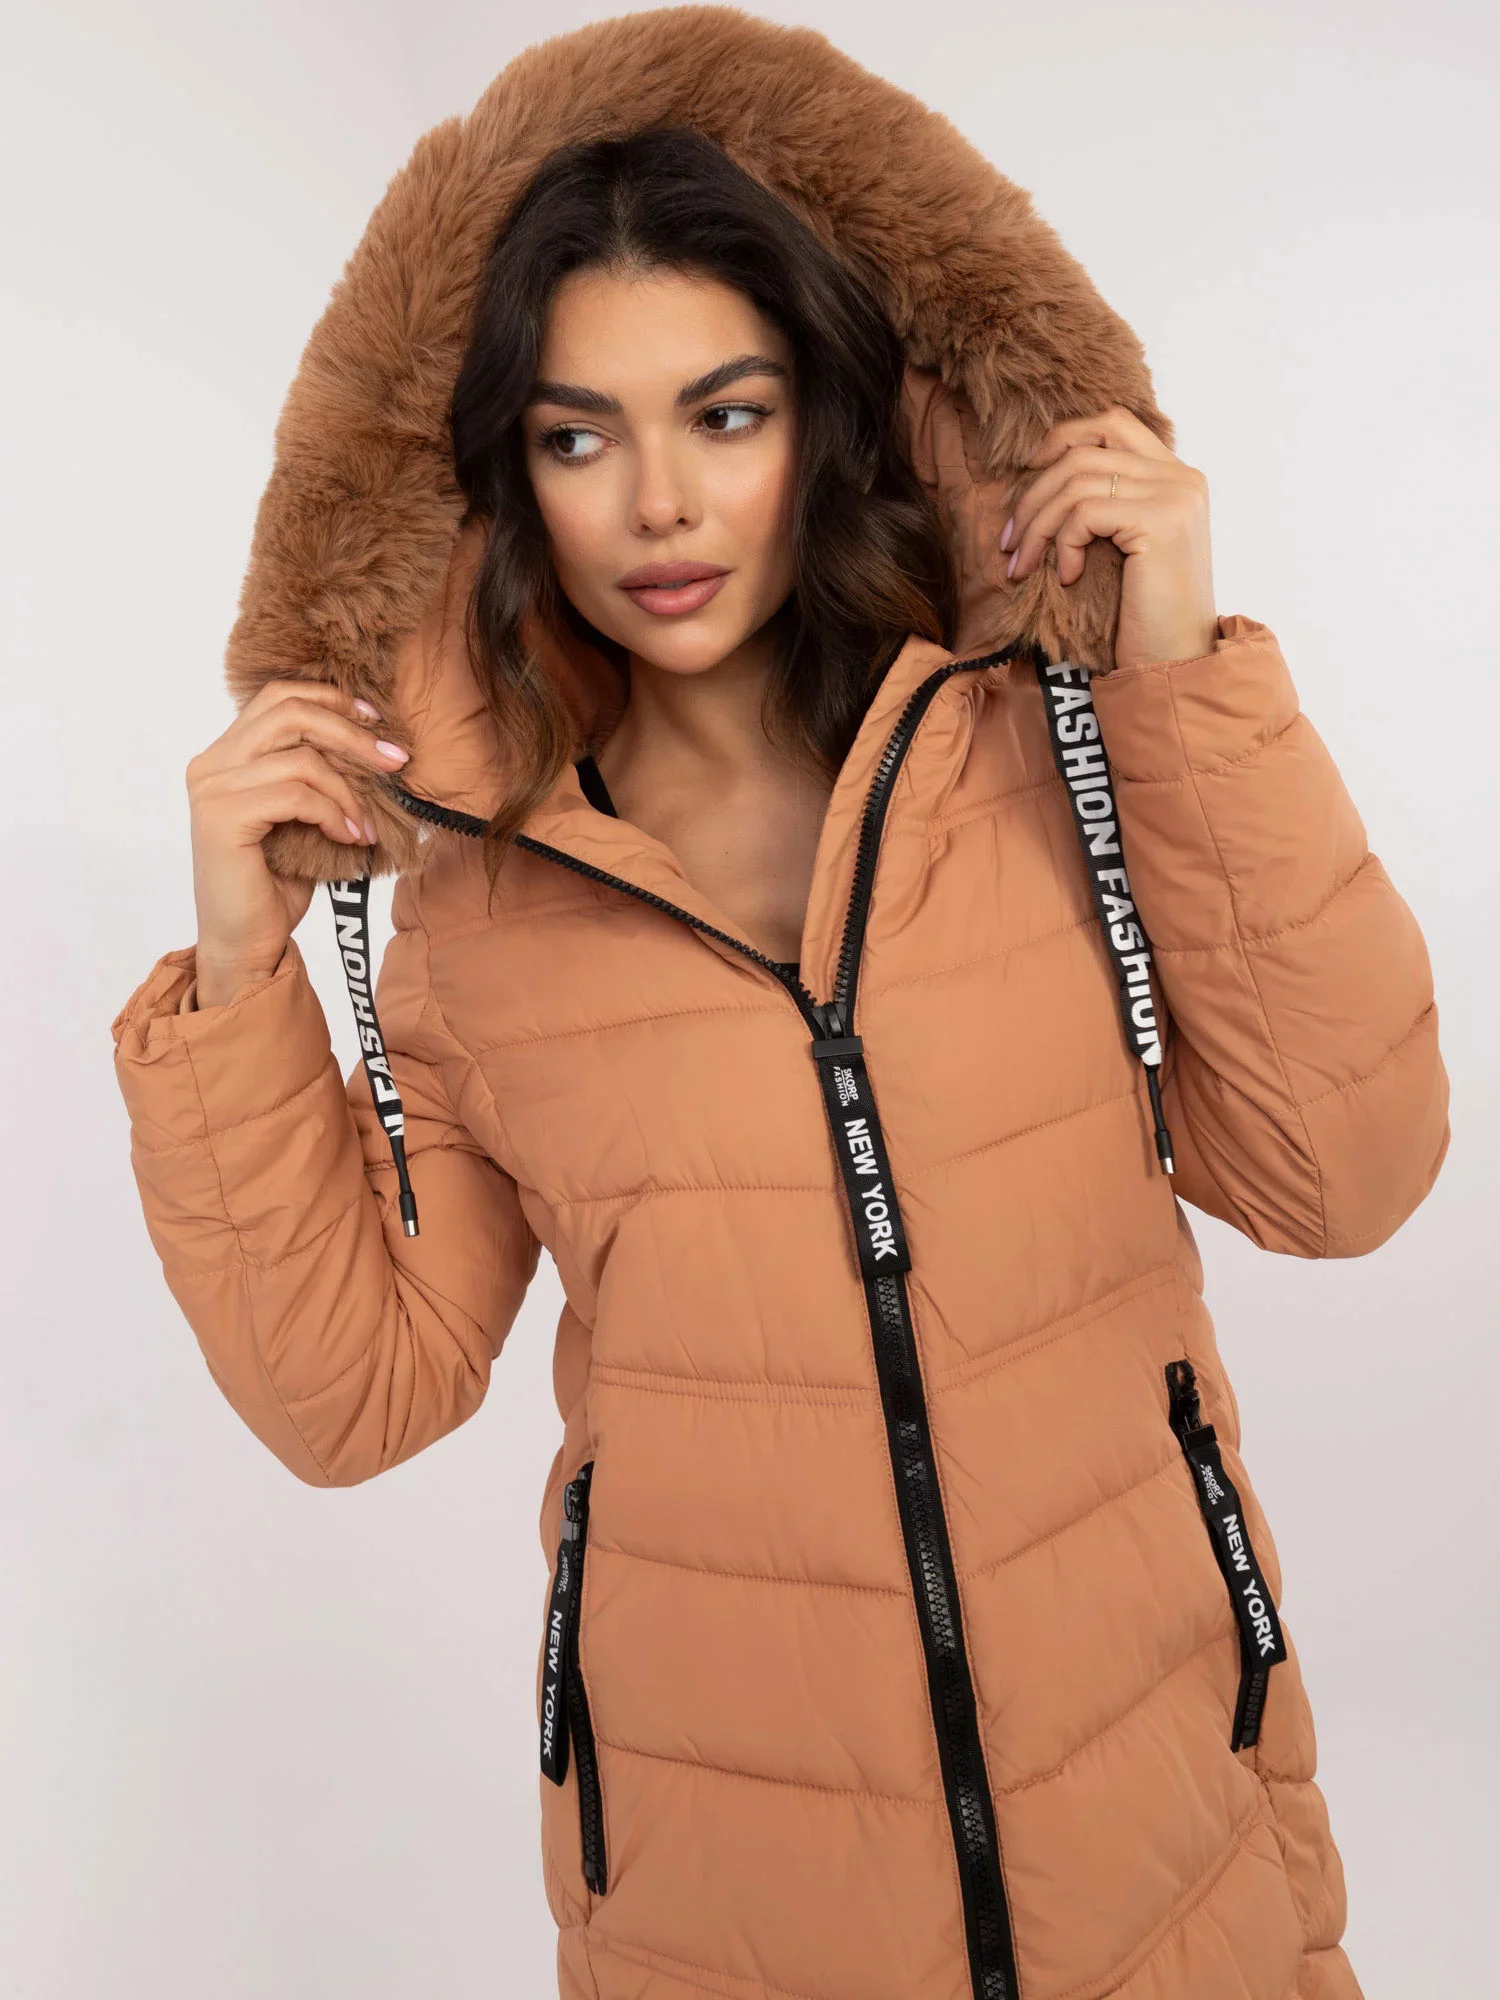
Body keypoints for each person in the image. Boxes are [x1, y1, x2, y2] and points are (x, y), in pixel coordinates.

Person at [111, 12, 1449, 1999]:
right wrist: (242, 972)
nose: (658, 502)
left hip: (1171, 1854)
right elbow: (353, 1394)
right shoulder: (481, 905)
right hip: (727, 1908)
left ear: (821, 416)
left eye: (722, 415)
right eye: (579, 437)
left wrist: (1181, 672)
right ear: (507, 475)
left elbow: (1344, 1174)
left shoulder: (1048, 745)